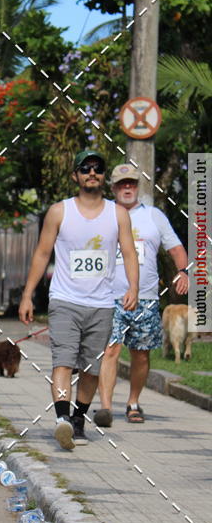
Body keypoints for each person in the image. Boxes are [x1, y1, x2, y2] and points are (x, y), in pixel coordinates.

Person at [19, 150, 139, 451]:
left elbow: (128, 253)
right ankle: (62, 419)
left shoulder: (118, 213)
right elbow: (42, 253)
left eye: (98, 168)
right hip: (65, 300)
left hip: (101, 303)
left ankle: (78, 419)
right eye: (86, 168)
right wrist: (27, 295)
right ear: (76, 175)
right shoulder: (60, 212)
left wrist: (133, 287)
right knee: (63, 359)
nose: (92, 173)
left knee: (91, 368)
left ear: (104, 176)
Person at [96, 164, 189, 426]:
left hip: (146, 297)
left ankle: (133, 402)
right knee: (110, 350)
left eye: (132, 183)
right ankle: (105, 407)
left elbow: (177, 249)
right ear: (112, 187)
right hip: (108, 297)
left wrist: (183, 272)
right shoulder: (101, 214)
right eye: (122, 184)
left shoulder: (154, 216)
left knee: (141, 354)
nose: (127, 188)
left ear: (138, 187)